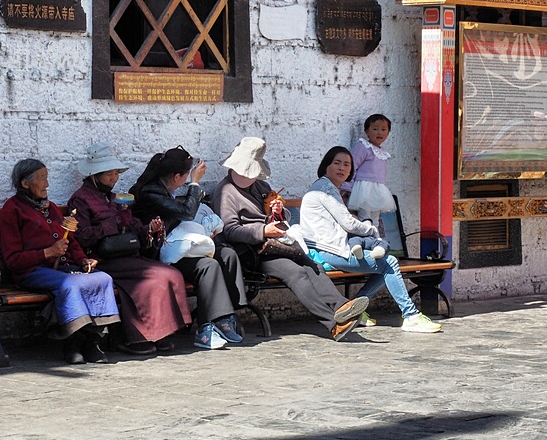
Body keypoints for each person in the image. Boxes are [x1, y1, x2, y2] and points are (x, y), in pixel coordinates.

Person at [211, 137, 370, 342]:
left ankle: (342, 306)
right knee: (296, 273)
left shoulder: (260, 186)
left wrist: (278, 211)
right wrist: (263, 230)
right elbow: (230, 230)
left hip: (275, 244)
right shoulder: (225, 192)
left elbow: (280, 217)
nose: (249, 177)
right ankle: (334, 323)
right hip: (251, 252)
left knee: (310, 264)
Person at [300, 146, 442, 334]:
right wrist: (371, 229)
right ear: (326, 166)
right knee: (389, 262)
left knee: (385, 266)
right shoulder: (325, 188)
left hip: (326, 250)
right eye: (337, 163)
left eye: (346, 165)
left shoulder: (324, 187)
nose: (342, 168)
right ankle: (411, 316)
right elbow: (349, 223)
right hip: (330, 252)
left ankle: (354, 310)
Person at [67, 143, 193, 356]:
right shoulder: (80, 199)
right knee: (160, 275)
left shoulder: (115, 199)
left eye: (117, 173)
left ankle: (158, 332)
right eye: (110, 173)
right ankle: (136, 336)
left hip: (127, 256)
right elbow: (80, 236)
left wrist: (149, 230)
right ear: (95, 174)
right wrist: (107, 227)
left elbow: (133, 225)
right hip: (102, 259)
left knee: (169, 275)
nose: (115, 178)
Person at [0, 158, 122, 364]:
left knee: (103, 279)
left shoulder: (52, 208)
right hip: (31, 272)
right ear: (25, 184)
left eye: (47, 178)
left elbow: (70, 241)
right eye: (41, 179)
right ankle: (72, 344)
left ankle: (92, 342)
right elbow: (12, 259)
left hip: (63, 269)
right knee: (72, 284)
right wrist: (47, 253)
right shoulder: (12, 210)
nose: (47, 184)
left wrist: (83, 260)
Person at [130, 146, 247, 350]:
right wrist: (195, 183)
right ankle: (206, 328)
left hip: (177, 244)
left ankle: (227, 315)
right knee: (207, 266)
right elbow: (185, 213)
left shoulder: (166, 190)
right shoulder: (151, 192)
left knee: (227, 253)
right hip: (160, 252)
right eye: (185, 176)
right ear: (177, 176)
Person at [342, 113, 397, 233]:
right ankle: (364, 240)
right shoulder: (363, 147)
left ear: (388, 133)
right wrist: (347, 186)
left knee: (375, 218)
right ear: (367, 131)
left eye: (383, 129)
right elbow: (352, 166)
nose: (379, 133)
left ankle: (375, 240)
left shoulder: (382, 152)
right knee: (364, 217)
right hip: (364, 189)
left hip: (377, 190)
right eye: (375, 129)